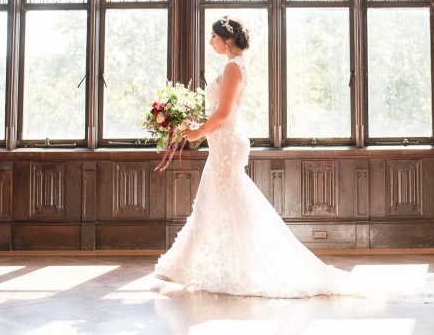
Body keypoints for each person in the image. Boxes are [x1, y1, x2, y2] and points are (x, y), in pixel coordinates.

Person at [153, 16, 365, 298]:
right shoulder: (236, 66)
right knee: (216, 200)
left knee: (223, 200)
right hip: (226, 140)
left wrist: (197, 133)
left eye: (213, 37)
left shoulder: (232, 67)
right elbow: (223, 111)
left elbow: (226, 112)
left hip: (227, 142)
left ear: (227, 39)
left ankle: (226, 265)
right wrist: (193, 123)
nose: (210, 42)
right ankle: (196, 264)